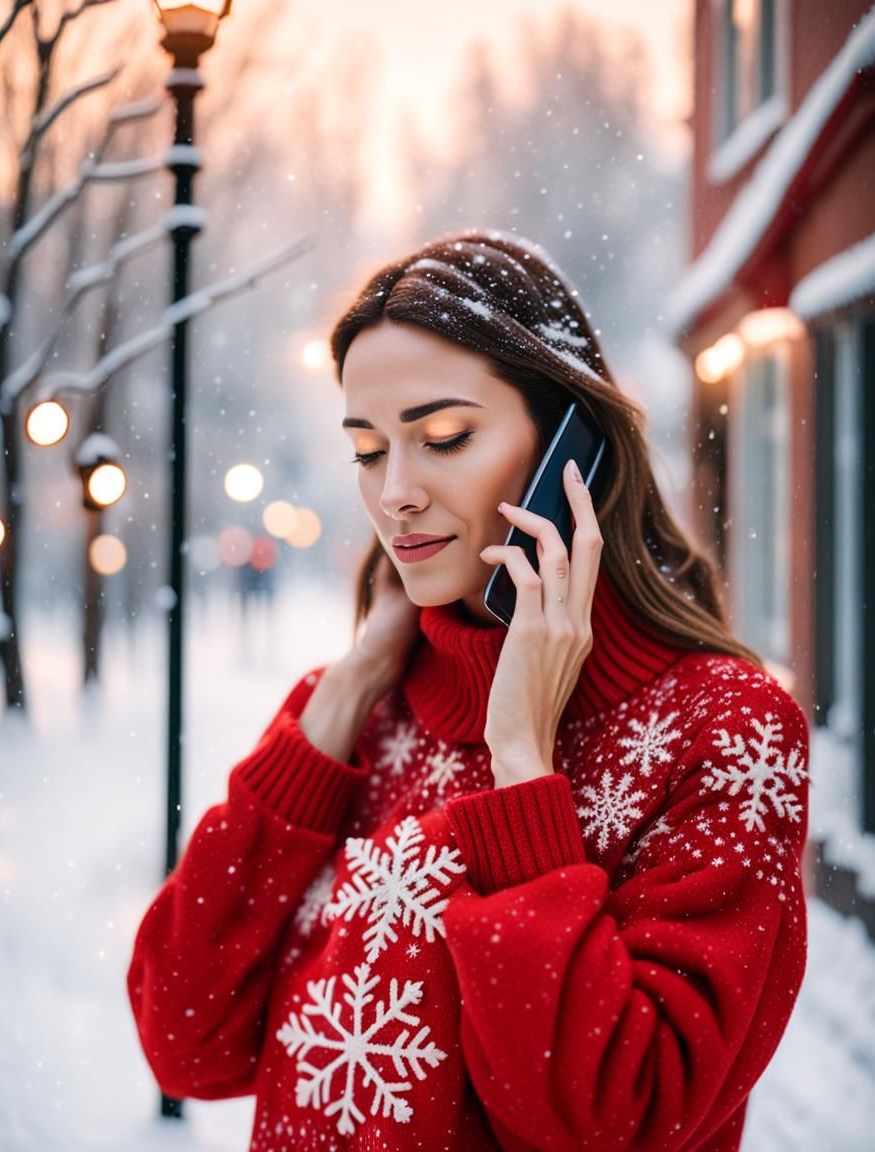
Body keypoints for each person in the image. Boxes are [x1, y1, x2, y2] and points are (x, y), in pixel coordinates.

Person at [127, 229, 810, 1151]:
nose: (394, 492)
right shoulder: (359, 710)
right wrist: (345, 694)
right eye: (368, 450)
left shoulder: (724, 728)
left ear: (574, 447)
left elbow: (625, 1116)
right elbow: (184, 1039)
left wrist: (521, 768)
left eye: (442, 437)